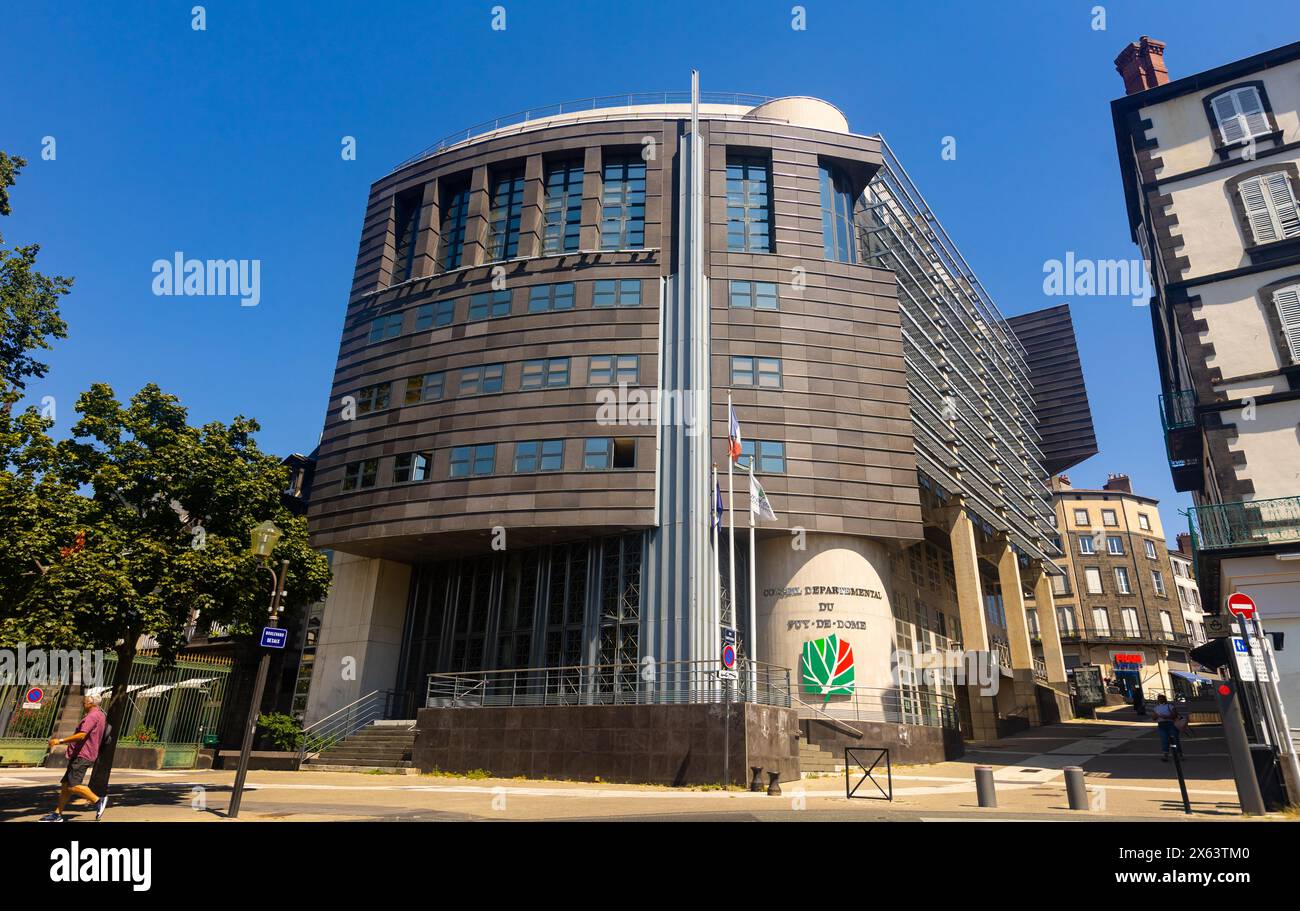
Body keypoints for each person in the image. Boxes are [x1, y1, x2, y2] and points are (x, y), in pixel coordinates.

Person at [39, 693, 110, 821]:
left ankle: (98, 800)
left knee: (73, 785)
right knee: (66, 786)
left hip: (83, 755)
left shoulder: (92, 716)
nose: (83, 704)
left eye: (84, 702)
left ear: (91, 703)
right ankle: (57, 814)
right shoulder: (100, 715)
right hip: (82, 753)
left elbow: (82, 735)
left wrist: (60, 741)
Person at [1153, 693, 1181, 761]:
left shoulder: (1170, 706)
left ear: (1164, 699)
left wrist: (1166, 717)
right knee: (1164, 740)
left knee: (1175, 740)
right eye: (1159, 699)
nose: (1160, 700)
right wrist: (1156, 716)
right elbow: (1153, 717)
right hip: (1161, 725)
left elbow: (1175, 715)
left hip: (1171, 724)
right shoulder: (1156, 708)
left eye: (1161, 699)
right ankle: (1165, 755)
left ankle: (1179, 754)